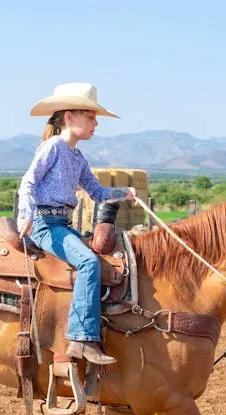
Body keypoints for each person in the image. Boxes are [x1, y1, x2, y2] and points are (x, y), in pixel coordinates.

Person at [17, 83, 135, 366]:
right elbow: (28, 181)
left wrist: (125, 194)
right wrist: (25, 214)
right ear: (69, 117)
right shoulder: (53, 147)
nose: (96, 123)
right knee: (89, 263)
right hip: (47, 224)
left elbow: (97, 192)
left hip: (63, 224)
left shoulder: (77, 157)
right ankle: (81, 339)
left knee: (98, 261)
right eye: (91, 116)